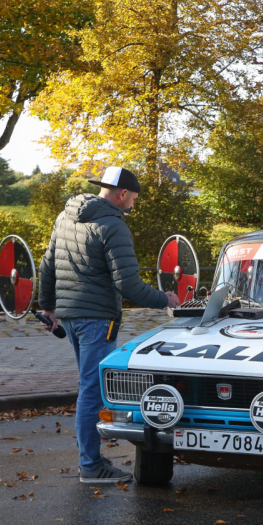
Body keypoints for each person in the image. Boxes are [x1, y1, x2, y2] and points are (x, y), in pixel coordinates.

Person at [38, 166, 179, 484]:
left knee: (87, 389)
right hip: (98, 319)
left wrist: (48, 308)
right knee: (92, 392)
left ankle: (90, 460)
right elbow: (127, 285)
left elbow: (48, 264)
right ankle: (90, 466)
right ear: (123, 194)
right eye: (134, 198)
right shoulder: (113, 226)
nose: (133, 205)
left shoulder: (66, 216)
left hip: (71, 317)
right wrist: (165, 300)